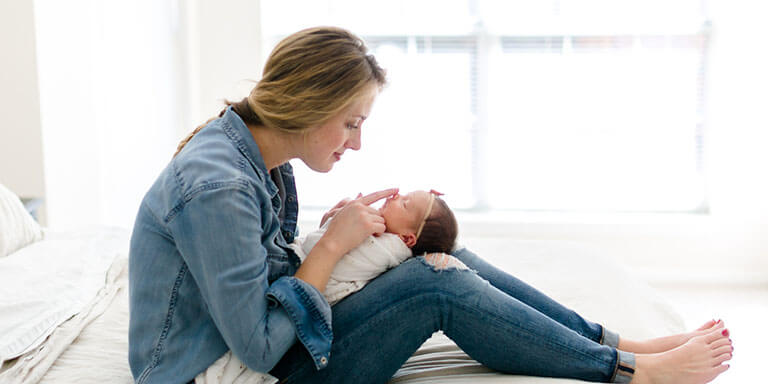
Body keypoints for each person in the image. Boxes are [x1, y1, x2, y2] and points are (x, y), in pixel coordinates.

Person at [128, 26, 733, 384]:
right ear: (309, 108)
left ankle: (611, 342)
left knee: (442, 250)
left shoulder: (257, 151)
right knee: (435, 283)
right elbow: (259, 348)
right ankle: (630, 373)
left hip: (266, 343)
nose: (357, 143)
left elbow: (266, 270)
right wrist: (336, 244)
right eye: (351, 123)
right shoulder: (219, 186)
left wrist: (340, 236)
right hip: (230, 370)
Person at [292, 189, 459, 305]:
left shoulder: (381, 248)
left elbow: (311, 249)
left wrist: (333, 224)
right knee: (458, 250)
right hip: (311, 282)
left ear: (407, 238)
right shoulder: (390, 243)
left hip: (307, 290)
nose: (395, 196)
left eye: (404, 204)